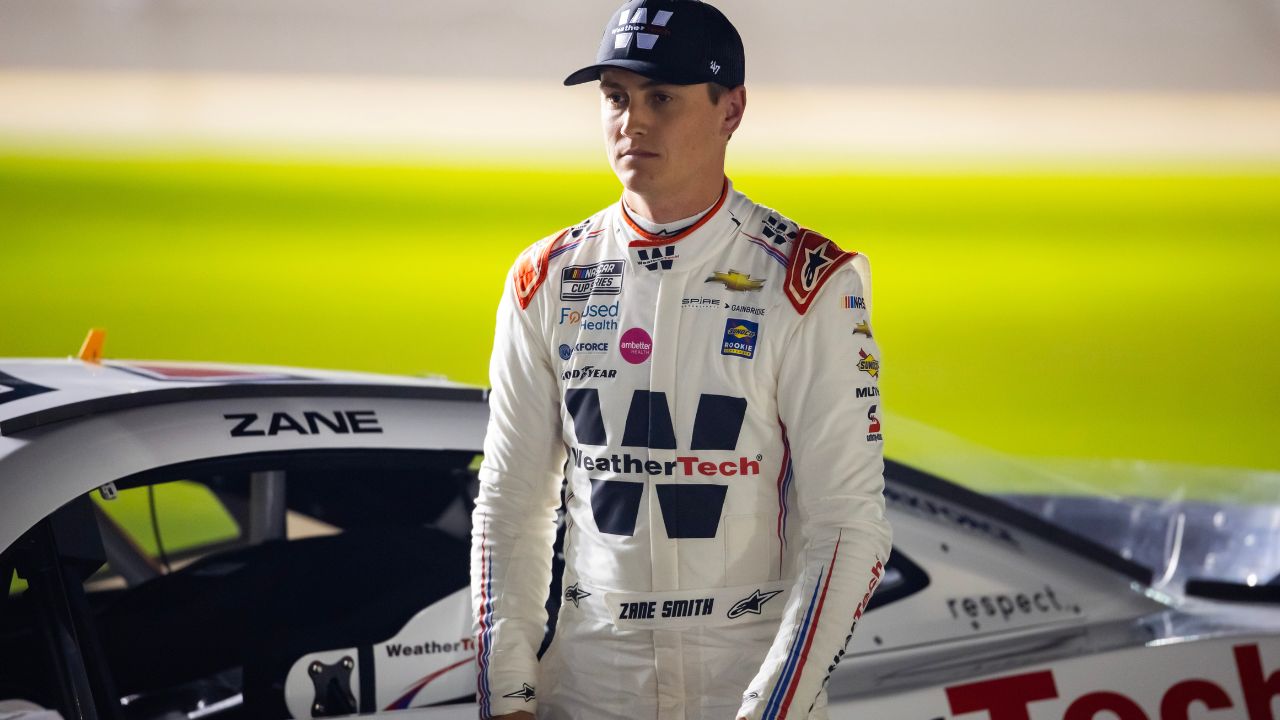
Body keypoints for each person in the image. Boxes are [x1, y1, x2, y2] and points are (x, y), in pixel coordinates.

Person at [470, 1, 891, 718]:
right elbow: (511, 506)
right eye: (616, 97)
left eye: (661, 97)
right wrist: (507, 695)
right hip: (589, 687)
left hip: (746, 683)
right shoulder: (545, 276)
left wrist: (771, 706)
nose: (632, 122)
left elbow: (849, 527)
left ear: (732, 110)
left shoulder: (810, 282)